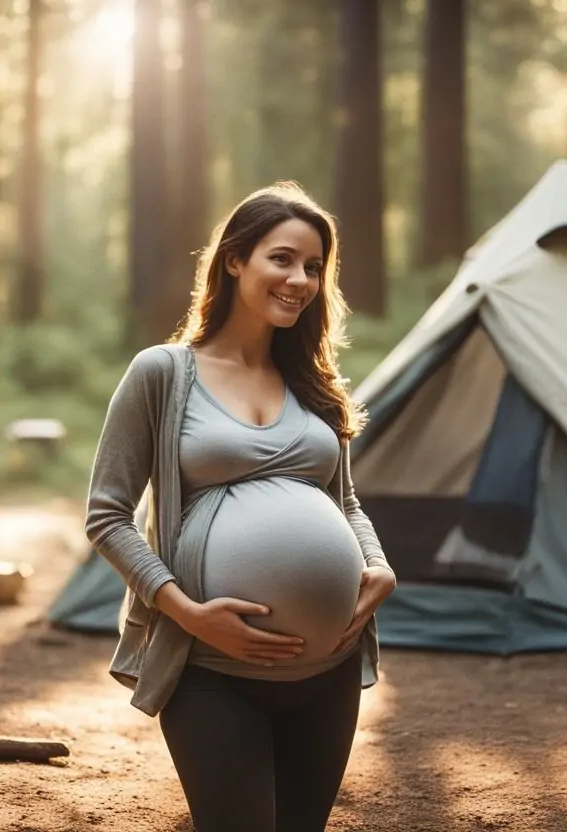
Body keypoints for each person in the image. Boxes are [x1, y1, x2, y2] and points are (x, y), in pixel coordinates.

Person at [85, 181, 396, 832]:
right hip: (213, 671)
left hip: (328, 670)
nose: (300, 279)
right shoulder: (164, 374)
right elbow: (107, 515)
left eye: (314, 267)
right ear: (234, 260)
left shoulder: (314, 382)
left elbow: (346, 502)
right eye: (281, 259)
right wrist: (189, 613)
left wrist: (377, 566)